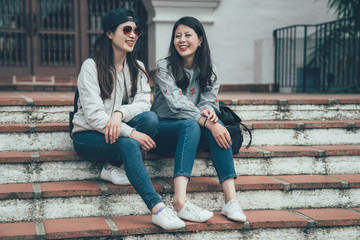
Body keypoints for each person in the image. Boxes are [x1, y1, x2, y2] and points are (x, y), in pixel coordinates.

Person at [71, 8, 185, 230]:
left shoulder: (138, 67)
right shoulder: (91, 67)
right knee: (129, 144)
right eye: (126, 29)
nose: (133, 35)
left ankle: (111, 167)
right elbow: (94, 118)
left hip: (114, 128)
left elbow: (144, 103)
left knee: (150, 119)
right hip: (88, 135)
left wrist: (119, 113)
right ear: (110, 34)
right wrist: (130, 132)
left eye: (136, 30)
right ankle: (158, 209)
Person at [151, 16, 247, 223]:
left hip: (191, 133)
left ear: (200, 40)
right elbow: (175, 102)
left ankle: (231, 201)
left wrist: (210, 113)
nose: (182, 40)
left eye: (187, 35)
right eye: (177, 36)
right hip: (162, 133)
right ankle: (180, 202)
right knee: (196, 126)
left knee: (215, 125)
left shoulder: (209, 71)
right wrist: (206, 121)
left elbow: (209, 101)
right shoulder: (164, 67)